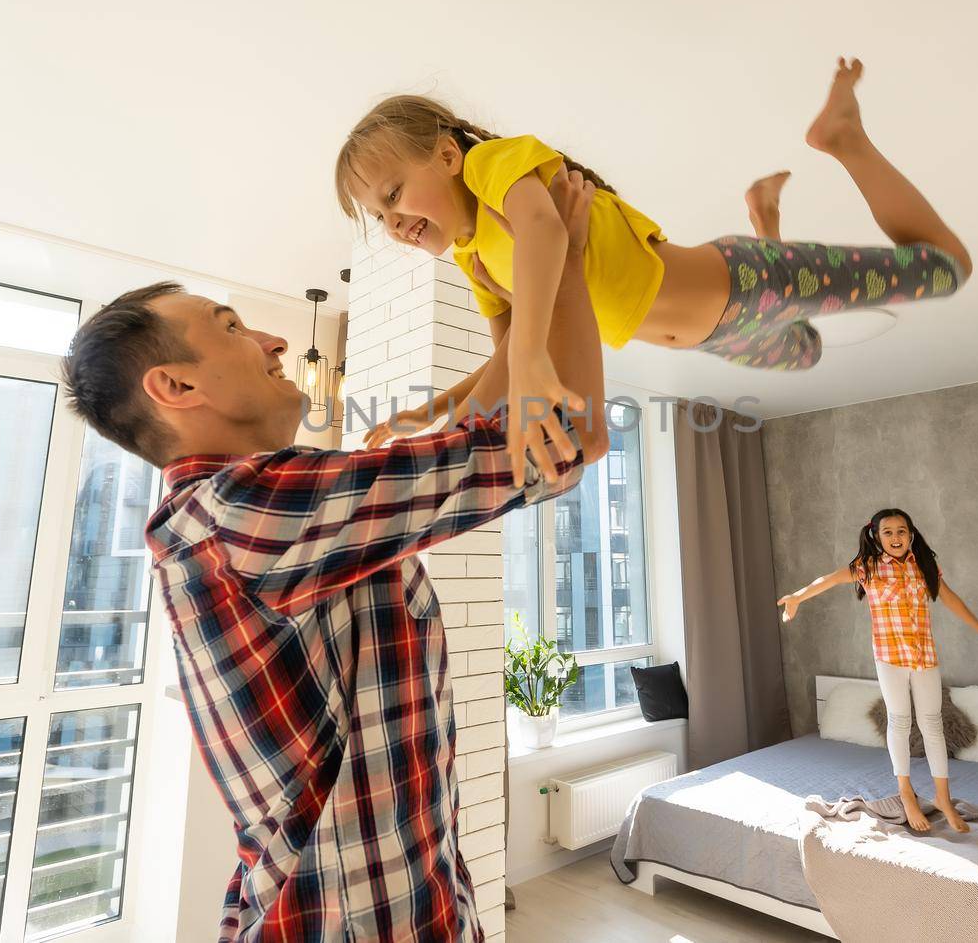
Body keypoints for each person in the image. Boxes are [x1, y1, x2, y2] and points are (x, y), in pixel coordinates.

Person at [59, 177, 607, 941]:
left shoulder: (259, 517)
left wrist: (514, 286)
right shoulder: (245, 515)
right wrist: (571, 259)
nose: (275, 340)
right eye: (232, 327)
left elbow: (494, 428)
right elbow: (564, 440)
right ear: (176, 385)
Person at [337, 58, 972, 462]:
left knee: (946, 268)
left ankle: (846, 140)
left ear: (447, 156)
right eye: (379, 216)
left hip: (749, 284)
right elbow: (504, 360)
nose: (393, 222)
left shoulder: (491, 169)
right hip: (716, 335)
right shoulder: (474, 260)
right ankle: (767, 218)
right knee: (807, 350)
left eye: (393, 194)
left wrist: (531, 355)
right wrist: (435, 414)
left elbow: (544, 234)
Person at [776, 508, 978, 833]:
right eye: (888, 532)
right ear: (876, 536)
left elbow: (950, 599)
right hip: (889, 657)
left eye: (901, 531)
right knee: (900, 721)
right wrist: (797, 597)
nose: (895, 538)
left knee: (932, 724)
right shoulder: (868, 568)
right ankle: (906, 792)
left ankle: (942, 797)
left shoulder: (924, 567)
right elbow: (829, 579)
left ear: (910, 534)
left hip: (925, 656)